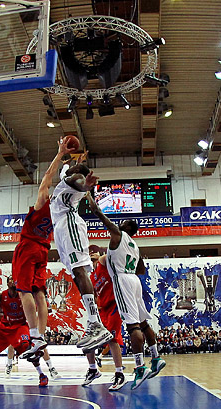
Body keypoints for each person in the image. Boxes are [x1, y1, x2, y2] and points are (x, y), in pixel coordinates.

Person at [85, 192, 165, 390]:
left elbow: (98, 213)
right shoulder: (135, 245)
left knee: (132, 327)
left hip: (122, 280)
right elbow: (142, 270)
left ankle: (140, 367)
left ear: (124, 227)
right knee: (143, 323)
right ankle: (155, 357)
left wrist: (89, 197)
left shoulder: (119, 235)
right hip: (135, 279)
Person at [12, 140, 68, 380]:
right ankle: (41, 335)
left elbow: (47, 175)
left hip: (28, 247)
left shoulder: (44, 200)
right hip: (44, 250)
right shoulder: (59, 210)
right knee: (40, 294)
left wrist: (59, 154)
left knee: (23, 291)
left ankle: (34, 334)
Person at [49, 146, 112, 352]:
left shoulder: (71, 182)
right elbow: (64, 169)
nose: (72, 168)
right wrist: (65, 153)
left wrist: (84, 183)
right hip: (60, 229)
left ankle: (96, 323)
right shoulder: (63, 177)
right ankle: (94, 323)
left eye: (77, 168)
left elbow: (75, 179)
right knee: (76, 275)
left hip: (69, 224)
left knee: (79, 270)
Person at [86, 247, 127, 391]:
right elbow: (95, 295)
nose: (91, 253)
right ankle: (93, 369)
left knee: (113, 339)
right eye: (89, 251)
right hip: (103, 310)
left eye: (94, 251)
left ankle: (119, 374)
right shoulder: (91, 276)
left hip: (115, 305)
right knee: (88, 340)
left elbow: (112, 251)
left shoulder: (103, 262)